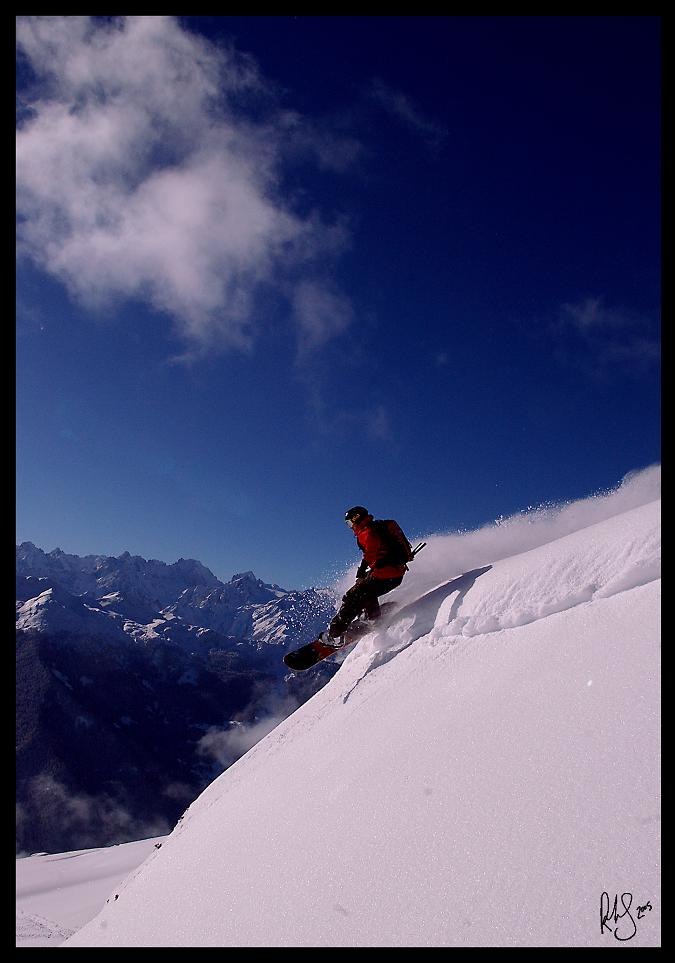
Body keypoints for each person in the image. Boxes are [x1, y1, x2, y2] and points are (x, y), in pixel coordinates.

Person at [321, 506, 414, 646]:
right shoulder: (378, 527)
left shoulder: (367, 532)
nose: (350, 527)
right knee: (366, 590)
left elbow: (371, 552)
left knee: (353, 596)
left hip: (386, 574)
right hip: (396, 573)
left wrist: (364, 569)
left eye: (349, 523)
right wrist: (363, 571)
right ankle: (371, 615)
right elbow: (374, 553)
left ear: (356, 519)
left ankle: (334, 635)